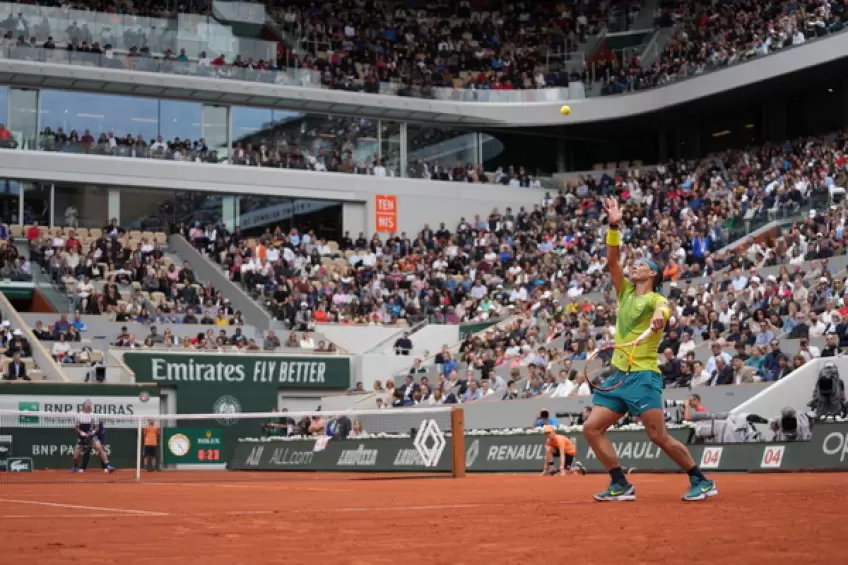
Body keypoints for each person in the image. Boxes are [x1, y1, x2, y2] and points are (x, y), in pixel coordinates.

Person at [582, 197, 716, 502]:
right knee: (591, 428)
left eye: (642, 265)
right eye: (636, 263)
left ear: (652, 275)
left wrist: (659, 319)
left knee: (658, 436)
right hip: (616, 377)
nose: (635, 266)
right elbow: (612, 260)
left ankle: (701, 479)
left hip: (643, 377)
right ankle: (620, 483)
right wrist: (613, 225)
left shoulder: (655, 299)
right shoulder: (625, 292)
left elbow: (664, 310)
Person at [70, 400, 115, 473]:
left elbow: (97, 427)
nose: (88, 405)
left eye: (90, 404)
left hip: (91, 437)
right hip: (82, 438)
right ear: (83, 405)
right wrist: (82, 433)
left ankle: (108, 465)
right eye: (87, 404)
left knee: (100, 448)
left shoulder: (94, 415)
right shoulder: (78, 415)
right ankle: (75, 466)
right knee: (75, 457)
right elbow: (76, 428)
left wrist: (92, 432)